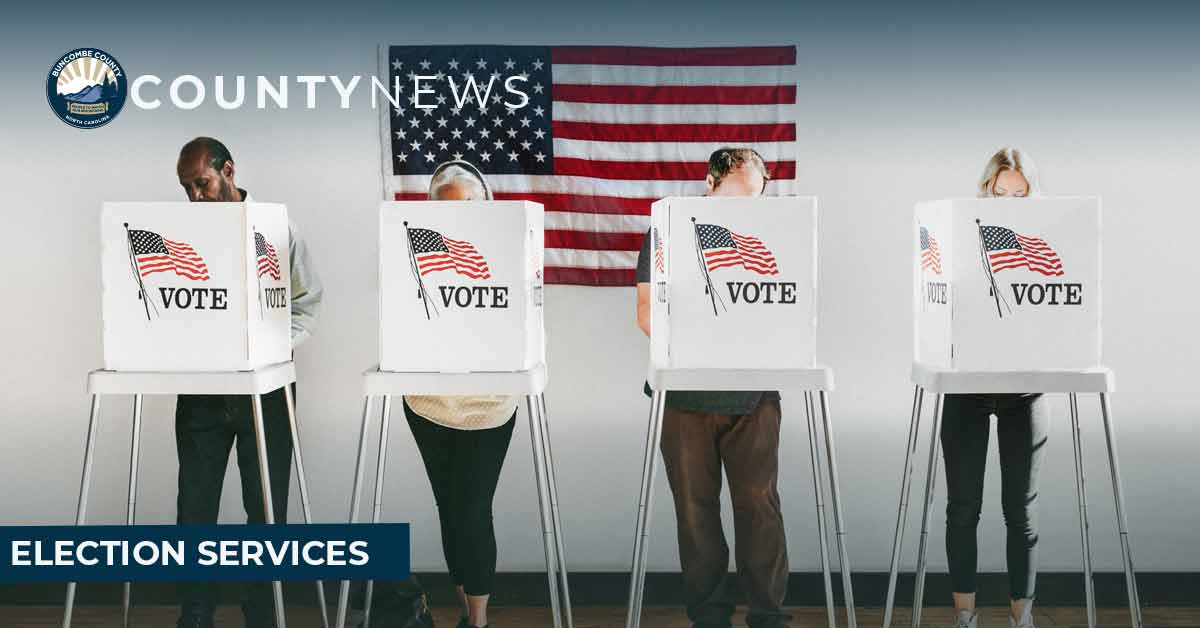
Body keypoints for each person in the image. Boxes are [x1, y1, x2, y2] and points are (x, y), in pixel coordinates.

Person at [634, 148, 790, 628]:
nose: (745, 209)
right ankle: (709, 618)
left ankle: (767, 616)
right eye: (736, 197)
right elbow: (645, 313)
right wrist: (703, 343)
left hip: (755, 395)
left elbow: (790, 308)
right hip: (685, 395)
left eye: (755, 198)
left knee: (759, 510)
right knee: (695, 514)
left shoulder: (778, 235)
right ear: (710, 184)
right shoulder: (666, 231)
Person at [174, 136, 324, 628]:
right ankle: (196, 615)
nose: (195, 197)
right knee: (194, 509)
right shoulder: (182, 232)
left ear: (229, 170)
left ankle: (262, 614)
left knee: (265, 509)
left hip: (266, 385)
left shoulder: (278, 227)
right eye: (187, 189)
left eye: (202, 183)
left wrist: (275, 349)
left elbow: (308, 301)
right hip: (203, 385)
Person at [404, 160, 517, 628]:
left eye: (467, 208)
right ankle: (462, 613)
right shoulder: (412, 253)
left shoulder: (509, 250)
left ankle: (479, 618)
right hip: (427, 401)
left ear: (485, 205)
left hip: (487, 405)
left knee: (473, 507)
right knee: (448, 507)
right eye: (446, 210)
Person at [943, 147, 1046, 628]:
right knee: (963, 506)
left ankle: (1020, 616)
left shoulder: (1050, 240)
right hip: (968, 380)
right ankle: (965, 615)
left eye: (1018, 194)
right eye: (998, 192)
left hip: (1024, 383)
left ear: (1033, 194)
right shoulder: (959, 235)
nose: (1007, 201)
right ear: (984, 190)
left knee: (1019, 510)